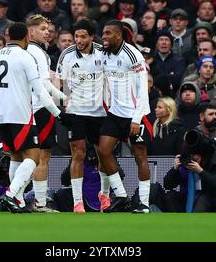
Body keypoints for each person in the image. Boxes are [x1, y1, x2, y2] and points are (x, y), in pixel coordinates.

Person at [0, 22, 69, 213]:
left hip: (3, 116)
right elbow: (40, 90)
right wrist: (58, 113)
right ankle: (11, 193)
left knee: (16, 157)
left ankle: (19, 201)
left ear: (8, 38)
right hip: (21, 115)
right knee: (33, 156)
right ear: (26, 38)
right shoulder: (25, 56)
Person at [97, 20, 151, 213]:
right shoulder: (104, 54)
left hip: (135, 115)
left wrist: (137, 119)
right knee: (103, 151)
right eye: (103, 33)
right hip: (115, 113)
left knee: (139, 156)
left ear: (119, 36)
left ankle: (144, 203)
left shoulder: (132, 54)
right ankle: (121, 196)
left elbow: (143, 89)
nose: (104, 37)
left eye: (108, 33)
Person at [56, 19, 105, 213]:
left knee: (103, 154)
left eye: (83, 36)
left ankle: (105, 197)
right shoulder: (67, 55)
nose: (79, 40)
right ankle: (78, 202)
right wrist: (63, 104)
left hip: (99, 112)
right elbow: (60, 82)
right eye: (77, 36)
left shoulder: (103, 53)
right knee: (78, 153)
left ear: (92, 36)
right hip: (76, 111)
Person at [25, 14, 68, 213]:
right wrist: (62, 100)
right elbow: (44, 86)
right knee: (42, 157)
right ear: (31, 31)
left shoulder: (23, 51)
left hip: (24, 109)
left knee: (23, 157)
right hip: (40, 108)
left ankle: (16, 198)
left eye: (48, 28)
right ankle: (40, 203)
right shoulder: (39, 53)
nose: (47, 32)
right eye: (42, 29)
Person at [162, 130, 216, 212]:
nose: (193, 158)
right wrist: (175, 169)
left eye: (196, 156)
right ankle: (178, 221)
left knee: (203, 199)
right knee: (170, 196)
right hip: (187, 197)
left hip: (210, 200)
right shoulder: (184, 163)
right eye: (191, 155)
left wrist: (201, 171)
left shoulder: (213, 163)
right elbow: (167, 185)